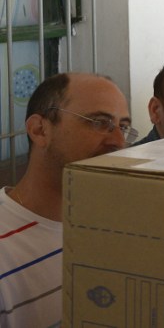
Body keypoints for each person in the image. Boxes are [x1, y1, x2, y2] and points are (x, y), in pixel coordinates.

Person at [0, 73, 135, 327]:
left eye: (123, 127)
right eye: (99, 122)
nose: (118, 141)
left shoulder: (119, 224)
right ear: (39, 130)